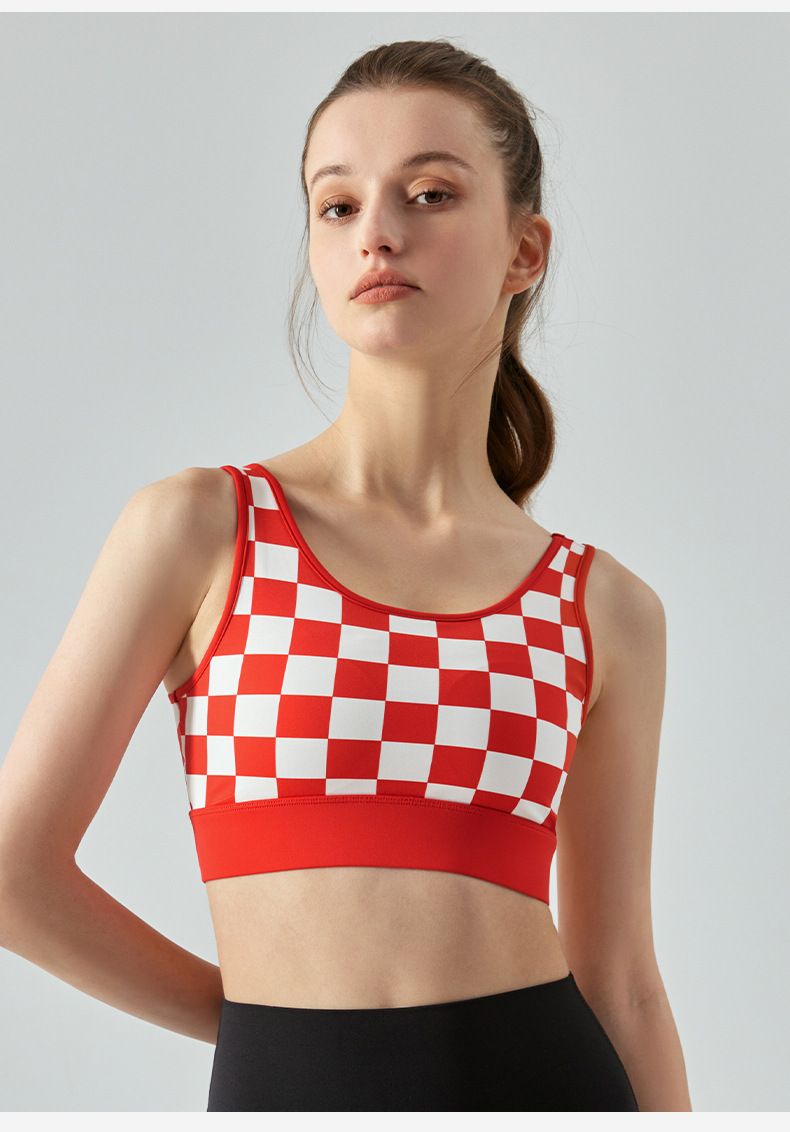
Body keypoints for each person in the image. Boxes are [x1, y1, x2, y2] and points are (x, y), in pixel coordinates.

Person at [0, 39, 692, 1112]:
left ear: (524, 250)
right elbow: (13, 874)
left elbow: (627, 986)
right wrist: (261, 1024)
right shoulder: (204, 529)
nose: (377, 231)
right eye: (338, 205)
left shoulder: (603, 607)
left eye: (430, 193)